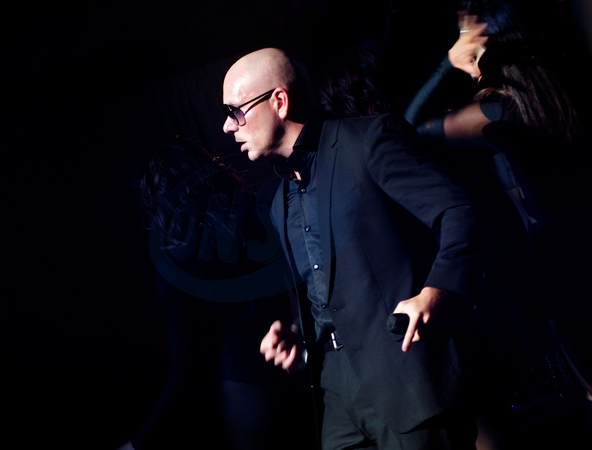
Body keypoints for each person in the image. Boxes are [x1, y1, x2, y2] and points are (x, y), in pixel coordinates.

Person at [221, 46, 493, 450]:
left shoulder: (368, 141)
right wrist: (297, 331)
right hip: (338, 392)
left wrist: (438, 290)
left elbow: (458, 211)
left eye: (235, 111)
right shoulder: (280, 201)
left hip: (409, 377)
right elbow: (329, 287)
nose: (228, 127)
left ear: (279, 101)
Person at [403, 0, 592, 445]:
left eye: (473, 50)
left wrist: (446, 66)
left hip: (565, 272)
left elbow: (407, 135)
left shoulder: (498, 110)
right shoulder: (562, 94)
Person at [115, 136, 318, 450]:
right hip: (305, 372)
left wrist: (137, 443)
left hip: (249, 392)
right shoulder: (264, 214)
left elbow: (185, 373)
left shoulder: (177, 264)